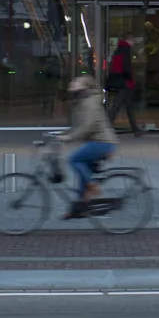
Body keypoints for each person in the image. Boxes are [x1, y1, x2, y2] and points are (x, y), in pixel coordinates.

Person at [59, 74, 118, 217]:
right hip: (98, 141)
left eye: (77, 82)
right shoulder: (82, 100)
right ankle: (79, 209)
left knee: (74, 160)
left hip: (102, 142)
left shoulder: (89, 102)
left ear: (84, 86)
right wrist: (63, 134)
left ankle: (93, 185)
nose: (73, 83)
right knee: (83, 172)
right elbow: (79, 125)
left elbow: (87, 126)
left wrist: (70, 137)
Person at [105, 39, 142, 135]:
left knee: (128, 106)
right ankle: (105, 128)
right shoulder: (126, 50)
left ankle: (135, 129)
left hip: (118, 81)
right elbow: (126, 67)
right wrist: (130, 78)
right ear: (128, 41)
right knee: (117, 105)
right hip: (124, 82)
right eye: (132, 40)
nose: (133, 43)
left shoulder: (117, 51)